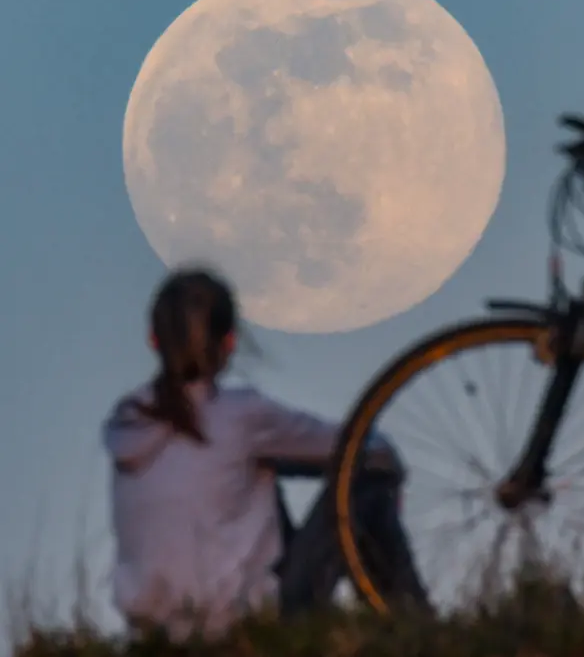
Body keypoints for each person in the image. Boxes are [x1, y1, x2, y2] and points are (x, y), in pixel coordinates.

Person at [103, 266, 418, 641]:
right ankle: (417, 622)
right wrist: (390, 469)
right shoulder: (244, 415)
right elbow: (366, 447)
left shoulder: (130, 420)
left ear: (153, 340)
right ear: (230, 343)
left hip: (156, 632)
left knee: (263, 472)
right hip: (239, 621)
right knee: (366, 480)